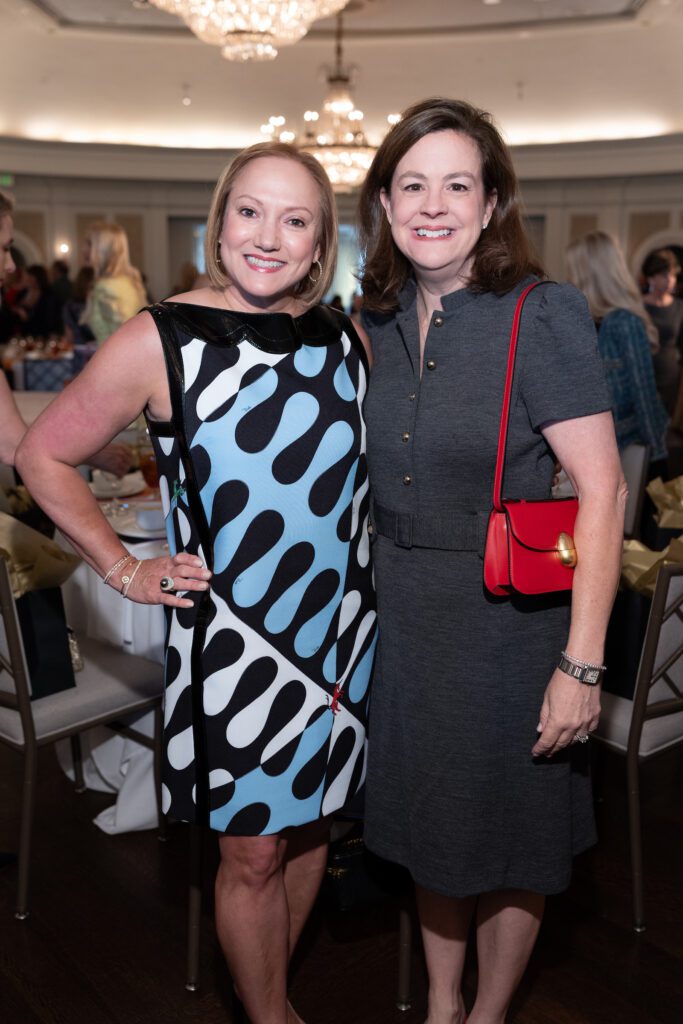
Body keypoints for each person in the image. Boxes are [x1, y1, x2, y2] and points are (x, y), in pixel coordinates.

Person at [16, 142, 376, 1024]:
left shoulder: (345, 334)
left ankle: (274, 991)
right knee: (251, 853)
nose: (268, 235)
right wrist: (124, 565)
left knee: (312, 832)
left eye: (295, 219)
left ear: (320, 242)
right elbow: (42, 454)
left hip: (344, 635)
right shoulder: (160, 336)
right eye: (249, 211)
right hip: (238, 639)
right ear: (219, 222)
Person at [358, 99, 625, 1024]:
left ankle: (488, 1013)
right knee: (436, 828)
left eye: (457, 184)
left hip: (508, 631)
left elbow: (602, 492)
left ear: (492, 200)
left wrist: (579, 666)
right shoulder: (377, 320)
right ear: (386, 204)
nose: (433, 205)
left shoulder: (538, 312)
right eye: (412, 184)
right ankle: (440, 1005)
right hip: (407, 624)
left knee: (511, 836)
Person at [0, 192, 129, 474]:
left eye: (88, 243)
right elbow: (11, 444)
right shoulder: (118, 285)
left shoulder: (108, 288)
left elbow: (126, 345)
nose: (10, 265)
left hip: (114, 387)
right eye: (4, 249)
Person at [566, 230, 668, 468]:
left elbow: (644, 393)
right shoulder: (581, 320)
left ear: (589, 274)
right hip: (595, 446)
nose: (570, 277)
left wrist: (657, 456)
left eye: (574, 269)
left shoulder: (623, 321)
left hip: (627, 445)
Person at [81, 221, 147, 344]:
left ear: (103, 249)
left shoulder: (107, 287)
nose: (83, 249)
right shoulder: (126, 281)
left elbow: (127, 338)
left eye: (89, 243)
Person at [641, 248, 683, 415]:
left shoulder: (680, 307)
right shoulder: (636, 306)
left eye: (673, 275)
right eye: (665, 275)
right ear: (652, 277)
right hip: (642, 373)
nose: (670, 280)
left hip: (669, 375)